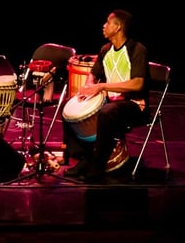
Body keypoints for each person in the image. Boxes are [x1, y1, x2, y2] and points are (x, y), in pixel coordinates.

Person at [62, 10, 149, 182]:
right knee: (68, 110)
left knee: (108, 111)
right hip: (110, 102)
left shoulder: (137, 49)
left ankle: (97, 165)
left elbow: (138, 83)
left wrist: (102, 86)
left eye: (108, 22)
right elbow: (94, 74)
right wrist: (88, 86)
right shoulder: (105, 50)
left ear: (118, 27)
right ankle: (84, 158)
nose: (104, 25)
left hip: (134, 104)